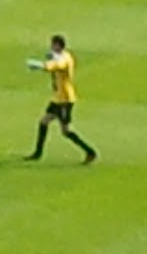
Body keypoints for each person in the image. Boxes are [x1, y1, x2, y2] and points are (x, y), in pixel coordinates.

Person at [24, 34, 97, 164]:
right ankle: (38, 153)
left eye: (53, 44)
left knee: (66, 131)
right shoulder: (62, 55)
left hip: (65, 99)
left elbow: (56, 65)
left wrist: (39, 65)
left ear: (58, 45)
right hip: (57, 98)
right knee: (43, 122)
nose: (51, 46)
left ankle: (90, 152)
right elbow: (55, 60)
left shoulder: (65, 59)